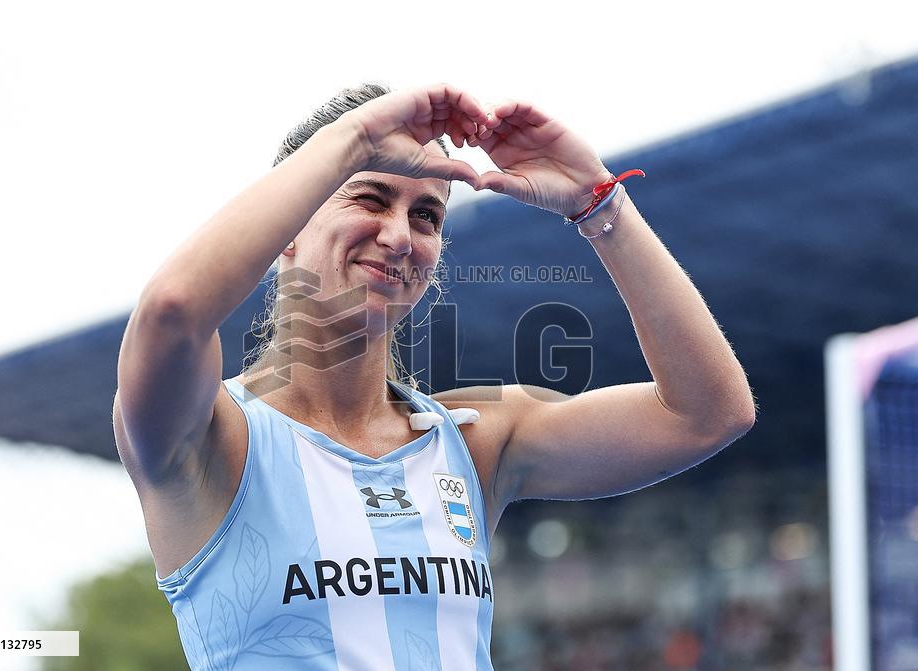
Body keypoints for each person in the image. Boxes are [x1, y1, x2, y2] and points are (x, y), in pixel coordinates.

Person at [112, 82, 756, 670]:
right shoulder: (209, 439)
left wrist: (598, 203)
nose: (399, 236)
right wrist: (355, 139)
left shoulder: (473, 440)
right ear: (286, 232)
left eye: (427, 215)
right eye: (370, 196)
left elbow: (707, 413)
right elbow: (172, 311)